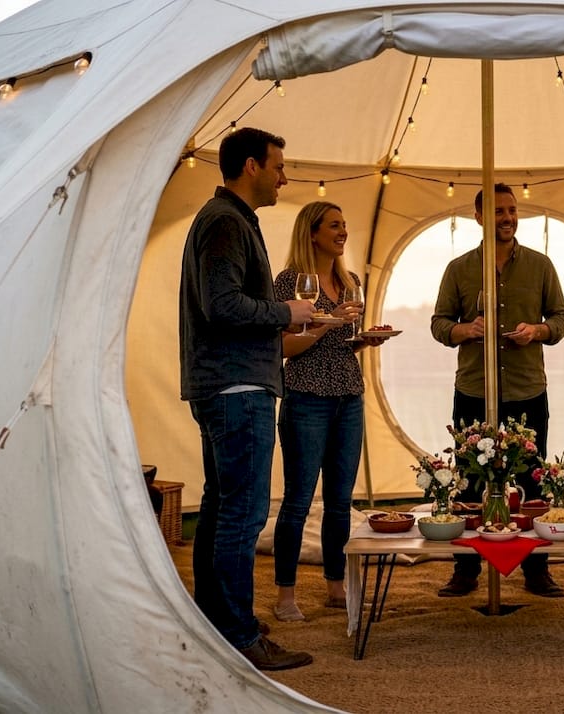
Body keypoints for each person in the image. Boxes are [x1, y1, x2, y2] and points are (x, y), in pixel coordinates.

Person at [179, 127, 315, 672]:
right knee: (243, 512)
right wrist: (288, 312)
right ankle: (238, 636)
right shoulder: (225, 222)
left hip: (225, 383)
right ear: (252, 166)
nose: (284, 177)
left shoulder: (229, 220)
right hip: (238, 388)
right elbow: (223, 305)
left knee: (220, 506)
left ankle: (216, 622)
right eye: (278, 166)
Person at [430, 183, 564, 598]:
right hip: (474, 390)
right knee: (470, 484)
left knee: (532, 482)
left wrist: (538, 331)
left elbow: (561, 319)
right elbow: (439, 323)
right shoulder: (458, 268)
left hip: (527, 392)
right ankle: (466, 570)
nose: (507, 218)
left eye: (511, 211)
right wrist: (465, 330)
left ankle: (536, 570)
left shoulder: (541, 265)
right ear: (478, 216)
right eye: (498, 211)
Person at [270, 201, 388, 622]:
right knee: (298, 500)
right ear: (312, 233)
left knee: (340, 502)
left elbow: (341, 345)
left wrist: (364, 341)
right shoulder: (290, 281)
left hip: (348, 396)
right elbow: (284, 347)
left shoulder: (349, 280)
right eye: (334, 225)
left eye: (344, 225)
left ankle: (336, 588)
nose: (343, 232)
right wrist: (328, 323)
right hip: (306, 397)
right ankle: (285, 595)